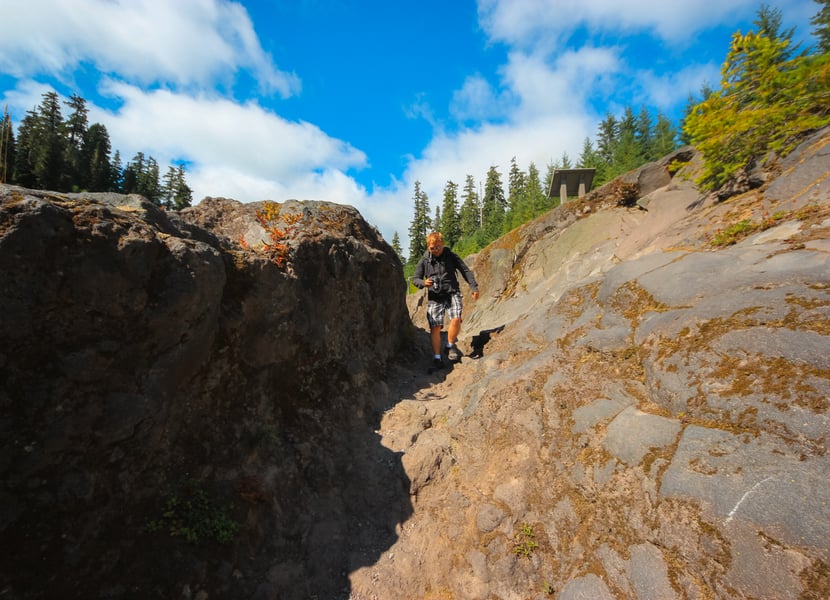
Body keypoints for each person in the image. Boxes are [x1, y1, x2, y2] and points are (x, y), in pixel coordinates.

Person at [412, 231, 479, 369]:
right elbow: (415, 279)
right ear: (428, 247)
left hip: (452, 292)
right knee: (435, 327)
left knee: (456, 318)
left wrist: (474, 287)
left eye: (438, 247)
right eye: (432, 248)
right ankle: (437, 357)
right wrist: (424, 283)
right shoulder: (425, 260)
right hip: (435, 296)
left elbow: (465, 270)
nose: (436, 250)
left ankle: (449, 345)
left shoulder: (451, 256)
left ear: (443, 244)